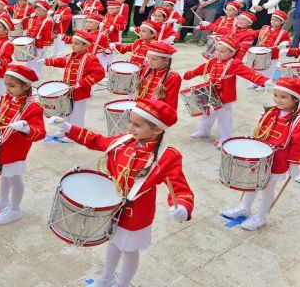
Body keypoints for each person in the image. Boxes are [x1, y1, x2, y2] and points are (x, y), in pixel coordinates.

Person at [49, 98, 194, 287]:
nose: (130, 128)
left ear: (157, 129)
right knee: (113, 243)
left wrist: (182, 206)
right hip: (111, 207)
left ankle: (123, 283)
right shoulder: (125, 140)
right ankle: (107, 277)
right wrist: (69, 128)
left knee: (129, 250)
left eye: (137, 125)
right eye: (130, 122)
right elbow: (97, 140)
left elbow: (179, 186)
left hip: (137, 214)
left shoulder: (168, 155)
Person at [221, 77, 300, 230]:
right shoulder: (271, 111)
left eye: (283, 97)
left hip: (278, 160)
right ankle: (245, 207)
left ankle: (261, 217)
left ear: (295, 99)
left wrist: (294, 164)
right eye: (275, 95)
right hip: (260, 156)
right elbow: (260, 131)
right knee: (252, 183)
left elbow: (299, 145)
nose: (278, 100)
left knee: (267, 188)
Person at [0, 65, 46, 224]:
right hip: (4, 146)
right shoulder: (10, 97)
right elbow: (6, 100)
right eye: (6, 84)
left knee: (14, 178)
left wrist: (26, 127)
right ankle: (2, 201)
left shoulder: (33, 107)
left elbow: (40, 132)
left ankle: (14, 209)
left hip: (16, 149)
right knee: (5, 177)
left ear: (26, 85)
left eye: (12, 86)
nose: (7, 89)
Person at [184, 37, 271, 147]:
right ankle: (204, 130)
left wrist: (264, 80)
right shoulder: (213, 61)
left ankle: (224, 137)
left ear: (232, 53)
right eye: (217, 50)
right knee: (207, 113)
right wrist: (189, 75)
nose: (218, 53)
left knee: (224, 118)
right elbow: (201, 69)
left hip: (225, 96)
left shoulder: (234, 64)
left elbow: (248, 73)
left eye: (222, 51)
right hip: (211, 93)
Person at [42, 30, 105, 142]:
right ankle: (65, 130)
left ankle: (76, 134)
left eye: (76, 44)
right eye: (73, 43)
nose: (73, 45)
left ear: (86, 45)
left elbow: (100, 73)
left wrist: (81, 83)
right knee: (66, 111)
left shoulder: (90, 58)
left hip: (80, 91)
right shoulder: (72, 55)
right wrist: (47, 61)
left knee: (76, 114)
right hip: (67, 90)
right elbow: (62, 61)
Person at [135, 42, 181, 109]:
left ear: (166, 60)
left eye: (154, 59)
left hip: (156, 114)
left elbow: (171, 105)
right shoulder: (145, 70)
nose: (149, 62)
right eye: (148, 58)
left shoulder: (173, 77)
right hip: (140, 109)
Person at [250, 10, 291, 84]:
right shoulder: (265, 28)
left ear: (281, 22)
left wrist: (285, 42)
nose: (273, 21)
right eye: (272, 19)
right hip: (261, 52)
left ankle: (265, 83)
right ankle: (255, 82)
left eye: (276, 20)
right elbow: (257, 33)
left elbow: (288, 41)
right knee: (258, 68)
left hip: (273, 54)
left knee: (269, 69)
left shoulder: (283, 32)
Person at [25, 0, 53, 79]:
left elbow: (48, 36)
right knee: (29, 61)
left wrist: (45, 48)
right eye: (36, 9)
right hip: (31, 43)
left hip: (39, 46)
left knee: (37, 62)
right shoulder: (35, 18)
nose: (36, 11)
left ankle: (36, 77)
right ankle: (28, 74)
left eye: (39, 10)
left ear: (45, 11)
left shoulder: (47, 22)